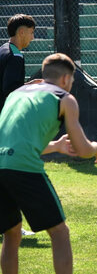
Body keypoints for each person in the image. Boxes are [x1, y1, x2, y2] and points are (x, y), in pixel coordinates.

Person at [0, 53, 97, 274]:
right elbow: (82, 150)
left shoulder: (15, 95)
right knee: (59, 232)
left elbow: (16, 144)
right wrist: (96, 148)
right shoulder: (64, 99)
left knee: (12, 232)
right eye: (73, 81)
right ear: (66, 79)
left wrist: (56, 146)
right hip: (24, 169)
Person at [0, 14, 38, 237]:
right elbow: (10, 91)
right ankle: (11, 226)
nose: (32, 37)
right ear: (21, 31)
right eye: (31, 32)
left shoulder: (3, 50)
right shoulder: (16, 56)